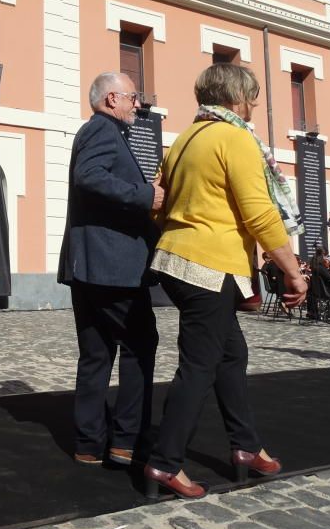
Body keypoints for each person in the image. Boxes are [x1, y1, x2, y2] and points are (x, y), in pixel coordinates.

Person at [143, 63, 308, 499]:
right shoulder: (234, 138)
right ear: (236, 98)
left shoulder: (182, 140)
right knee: (199, 366)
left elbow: (157, 206)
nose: (254, 104)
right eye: (252, 96)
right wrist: (292, 270)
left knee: (231, 355)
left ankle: (246, 446)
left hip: (177, 260)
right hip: (209, 267)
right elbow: (258, 212)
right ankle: (164, 464)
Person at [58, 72, 164, 467]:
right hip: (111, 267)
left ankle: (89, 445)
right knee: (140, 344)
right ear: (111, 100)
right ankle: (126, 440)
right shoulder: (102, 130)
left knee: (96, 355)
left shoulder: (98, 131)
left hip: (91, 265)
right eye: (133, 97)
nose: (138, 104)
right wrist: (145, 195)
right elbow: (89, 177)